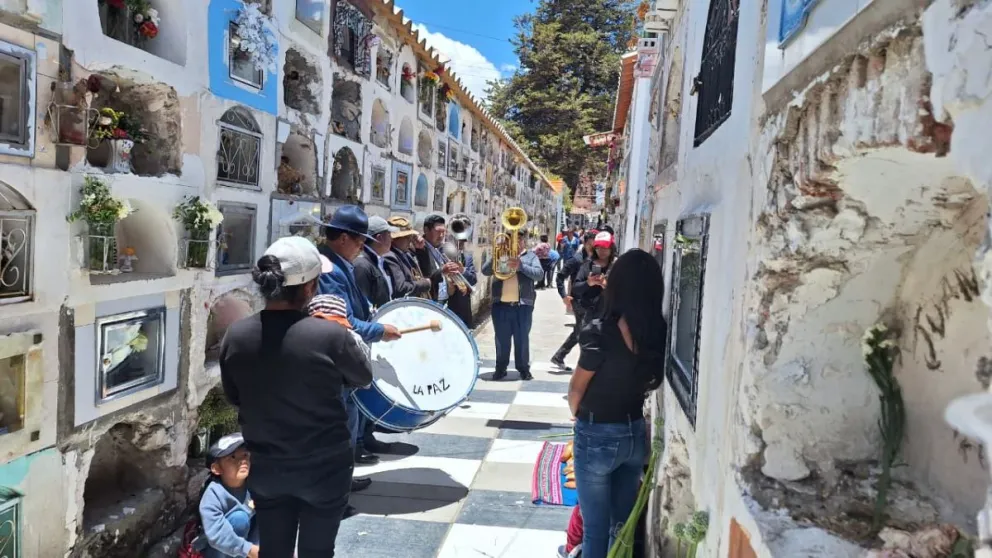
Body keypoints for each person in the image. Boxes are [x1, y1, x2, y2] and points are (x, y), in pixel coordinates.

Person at [219, 236, 373, 558]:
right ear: (310, 287)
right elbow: (363, 376)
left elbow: (234, 396)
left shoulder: (237, 335)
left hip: (268, 467)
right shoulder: (330, 335)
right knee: (317, 551)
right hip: (324, 468)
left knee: (274, 549)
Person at [567, 249, 667, 558]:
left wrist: (577, 414)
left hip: (597, 431)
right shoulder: (656, 330)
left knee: (595, 527)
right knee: (619, 524)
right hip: (633, 432)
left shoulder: (601, 330)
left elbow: (576, 388)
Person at [317, 206, 402, 494]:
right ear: (342, 238)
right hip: (335, 362)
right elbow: (342, 320)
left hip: (345, 362)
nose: (362, 246)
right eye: (359, 240)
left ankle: (343, 479)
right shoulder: (330, 269)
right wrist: (379, 330)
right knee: (340, 428)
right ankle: (334, 491)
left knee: (349, 423)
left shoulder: (342, 263)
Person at [481, 230, 544, 381]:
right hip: (501, 304)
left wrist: (521, 266)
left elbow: (539, 274)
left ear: (524, 241)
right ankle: (500, 368)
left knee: (522, 339)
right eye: (511, 239)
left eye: (519, 239)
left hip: (523, 305)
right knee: (501, 339)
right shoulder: (501, 253)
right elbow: (485, 271)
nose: (515, 242)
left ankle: (523, 369)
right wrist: (497, 254)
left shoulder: (530, 256)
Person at [198, 433, 260, 558]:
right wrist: (248, 550)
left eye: (245, 455)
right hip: (219, 549)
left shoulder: (255, 485)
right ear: (217, 469)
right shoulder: (213, 494)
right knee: (239, 519)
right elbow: (216, 535)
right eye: (232, 457)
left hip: (247, 546)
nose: (242, 460)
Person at [551, 231, 597, 371]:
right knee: (584, 331)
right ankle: (585, 365)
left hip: (591, 301)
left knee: (580, 330)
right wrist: (564, 296)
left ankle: (559, 356)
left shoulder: (597, 260)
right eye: (592, 244)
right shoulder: (576, 259)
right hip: (578, 301)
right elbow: (560, 277)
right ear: (586, 243)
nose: (594, 246)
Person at [571, 232, 618, 323]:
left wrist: (605, 285)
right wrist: (588, 283)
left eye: (605, 247)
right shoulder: (587, 265)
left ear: (611, 248)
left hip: (609, 316)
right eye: (598, 247)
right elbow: (575, 289)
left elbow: (623, 293)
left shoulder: (617, 266)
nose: (601, 251)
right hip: (588, 314)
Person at [414, 214, 462, 303]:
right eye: (438, 231)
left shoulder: (442, 249)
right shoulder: (419, 249)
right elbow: (424, 276)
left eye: (443, 232)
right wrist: (442, 271)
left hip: (445, 300)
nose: (441, 235)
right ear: (426, 230)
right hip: (430, 301)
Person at [383, 216, 432, 299]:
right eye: (406, 236)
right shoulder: (390, 257)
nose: (410, 239)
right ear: (394, 239)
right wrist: (425, 284)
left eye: (411, 236)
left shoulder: (407, 253)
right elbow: (401, 289)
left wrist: (420, 249)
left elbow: (426, 273)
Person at [352, 216, 395, 309]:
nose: (392, 239)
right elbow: (362, 307)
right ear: (379, 238)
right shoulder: (361, 266)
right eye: (389, 235)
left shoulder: (380, 262)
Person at [444, 238, 478, 328]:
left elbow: (473, 279)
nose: (460, 244)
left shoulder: (468, 257)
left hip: (463, 305)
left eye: (462, 242)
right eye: (458, 241)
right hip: (447, 303)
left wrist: (463, 270)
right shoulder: (443, 256)